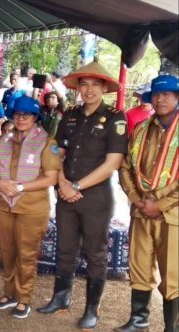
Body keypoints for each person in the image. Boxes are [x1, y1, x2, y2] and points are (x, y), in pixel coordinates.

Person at [37, 62, 127, 331]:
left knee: (95, 253)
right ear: (78, 88)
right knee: (65, 248)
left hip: (96, 197)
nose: (88, 90)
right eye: (84, 84)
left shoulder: (114, 117)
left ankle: (91, 309)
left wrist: (75, 187)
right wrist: (62, 181)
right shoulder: (71, 115)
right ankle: (60, 297)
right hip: (66, 193)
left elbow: (112, 163)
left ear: (104, 89)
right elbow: (58, 152)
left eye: (95, 85)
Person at [0, 96, 61, 318]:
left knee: (26, 253)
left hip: (31, 207)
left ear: (35, 118)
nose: (21, 118)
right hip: (4, 205)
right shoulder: (5, 140)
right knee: (7, 252)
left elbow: (51, 178)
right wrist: (0, 183)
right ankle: (9, 294)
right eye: (18, 114)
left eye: (26, 115)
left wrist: (19, 186)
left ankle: (24, 298)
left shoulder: (47, 143)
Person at [115, 75, 178, 332]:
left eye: (167, 94)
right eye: (156, 95)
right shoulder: (141, 129)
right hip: (141, 210)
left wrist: (159, 205)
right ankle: (139, 319)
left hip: (172, 215)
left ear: (177, 97)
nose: (160, 99)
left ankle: (172, 326)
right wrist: (137, 199)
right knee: (139, 265)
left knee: (173, 271)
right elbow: (125, 166)